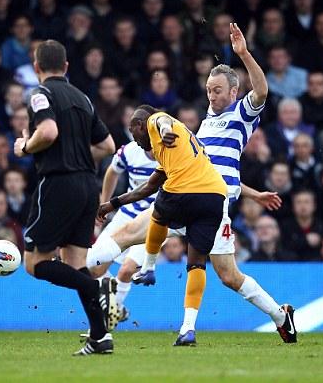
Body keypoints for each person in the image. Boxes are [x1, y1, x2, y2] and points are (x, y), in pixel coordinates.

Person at [91, 24, 296, 345]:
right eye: (208, 90)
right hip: (187, 196)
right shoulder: (203, 124)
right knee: (127, 232)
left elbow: (262, 91)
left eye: (217, 90)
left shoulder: (241, 113)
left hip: (214, 206)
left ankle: (280, 316)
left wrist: (243, 54)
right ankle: (91, 274)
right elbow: (206, 167)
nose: (211, 95)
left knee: (229, 276)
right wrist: (255, 193)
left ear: (233, 91)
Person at [12, 40, 117, 356]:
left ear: (36, 67)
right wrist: (78, 156)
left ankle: (92, 288)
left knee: (34, 264)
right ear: (67, 67)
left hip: (59, 184)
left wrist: (25, 147)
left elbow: (48, 132)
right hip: (88, 185)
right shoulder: (82, 98)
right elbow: (108, 146)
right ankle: (100, 337)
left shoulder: (40, 94)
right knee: (75, 263)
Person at [97, 106, 228, 348]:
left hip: (184, 190)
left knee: (158, 212)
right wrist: (112, 203)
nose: (135, 140)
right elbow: (146, 187)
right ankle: (188, 329)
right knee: (197, 263)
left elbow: (162, 121)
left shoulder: (155, 121)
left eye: (133, 132)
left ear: (139, 124)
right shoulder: (172, 154)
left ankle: (148, 267)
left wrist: (165, 130)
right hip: (215, 196)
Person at [87, 140, 158, 322]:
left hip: (154, 220)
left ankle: (109, 316)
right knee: (94, 268)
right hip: (125, 216)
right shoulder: (130, 151)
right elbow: (112, 172)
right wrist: (105, 203)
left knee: (126, 270)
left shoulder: (170, 152)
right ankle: (116, 307)